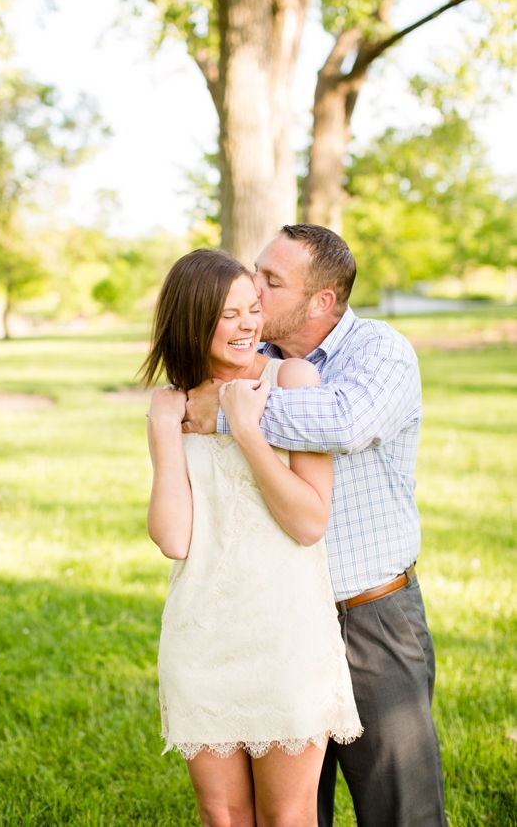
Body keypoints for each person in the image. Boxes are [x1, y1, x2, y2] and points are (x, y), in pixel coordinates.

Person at [182, 225, 445, 827]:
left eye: (271, 282)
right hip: (279, 625)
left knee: (401, 807)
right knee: (296, 811)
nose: (252, 289)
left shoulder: (379, 351)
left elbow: (347, 422)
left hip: (370, 616)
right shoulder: (254, 363)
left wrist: (228, 414)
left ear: (320, 301)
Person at [143, 248, 362, 827]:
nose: (248, 326)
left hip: (286, 636)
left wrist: (246, 431)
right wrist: (165, 432)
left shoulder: (292, 379)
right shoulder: (176, 403)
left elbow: (309, 521)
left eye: (252, 310)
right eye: (228, 315)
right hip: (201, 636)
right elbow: (173, 538)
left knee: (287, 817)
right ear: (193, 322)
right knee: (223, 814)